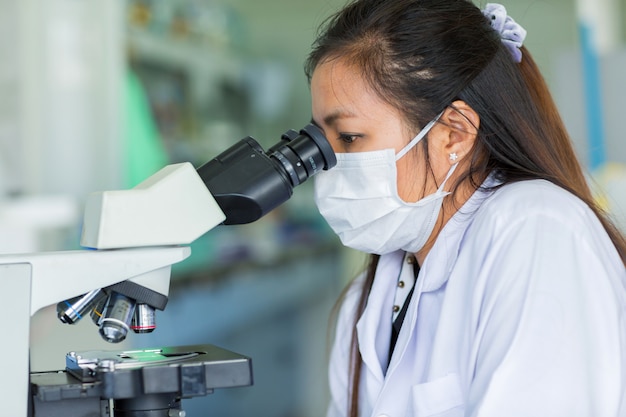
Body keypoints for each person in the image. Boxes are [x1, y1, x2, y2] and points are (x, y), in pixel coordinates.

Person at [304, 1, 626, 416]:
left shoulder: (537, 228)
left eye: (348, 137)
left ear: (453, 134)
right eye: (321, 140)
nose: (329, 162)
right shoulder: (370, 295)